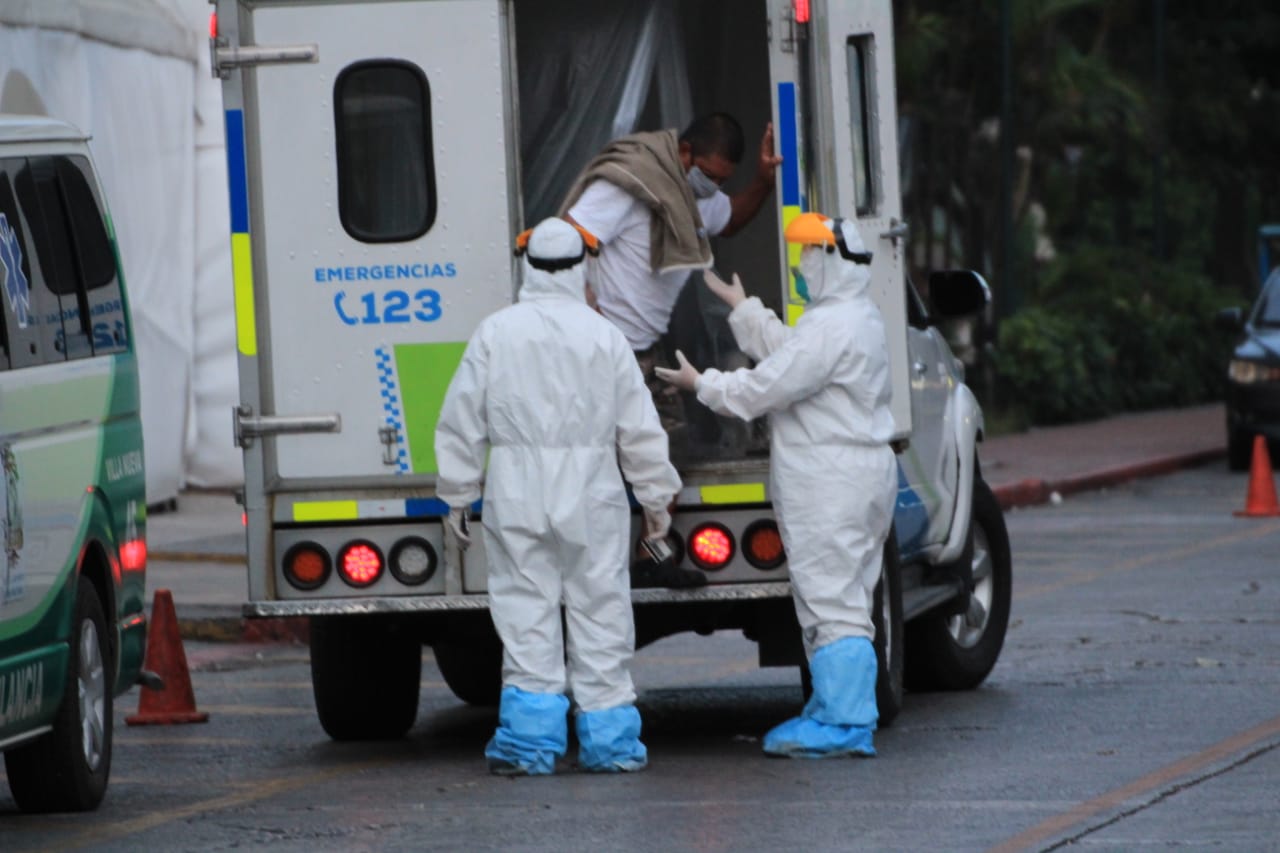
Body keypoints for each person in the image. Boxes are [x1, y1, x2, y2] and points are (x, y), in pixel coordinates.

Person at [434, 218, 682, 776]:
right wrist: (657, 506)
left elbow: (461, 419)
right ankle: (610, 742)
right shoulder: (605, 336)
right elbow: (640, 432)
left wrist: (457, 495)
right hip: (592, 491)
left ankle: (530, 743)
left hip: (516, 489)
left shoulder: (496, 332)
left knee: (525, 613)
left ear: (526, 262)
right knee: (601, 610)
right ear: (583, 265)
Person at [654, 213, 897, 758]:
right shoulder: (852, 317)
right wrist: (747, 312)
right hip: (855, 473)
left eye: (811, 255)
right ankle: (839, 708)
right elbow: (795, 359)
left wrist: (703, 384)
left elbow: (768, 386)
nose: (802, 263)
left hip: (829, 480)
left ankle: (843, 722)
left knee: (831, 600)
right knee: (848, 594)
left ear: (834, 263)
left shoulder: (833, 326)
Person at [560, 112, 780, 588]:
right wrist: (587, 309)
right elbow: (567, 238)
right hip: (600, 348)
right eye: (710, 174)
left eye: (723, 179)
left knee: (665, 455)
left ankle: (650, 557)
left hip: (645, 352)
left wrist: (762, 183)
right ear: (684, 154)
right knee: (593, 462)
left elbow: (733, 217)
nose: (714, 186)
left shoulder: (691, 199)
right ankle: (587, 567)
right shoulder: (632, 185)